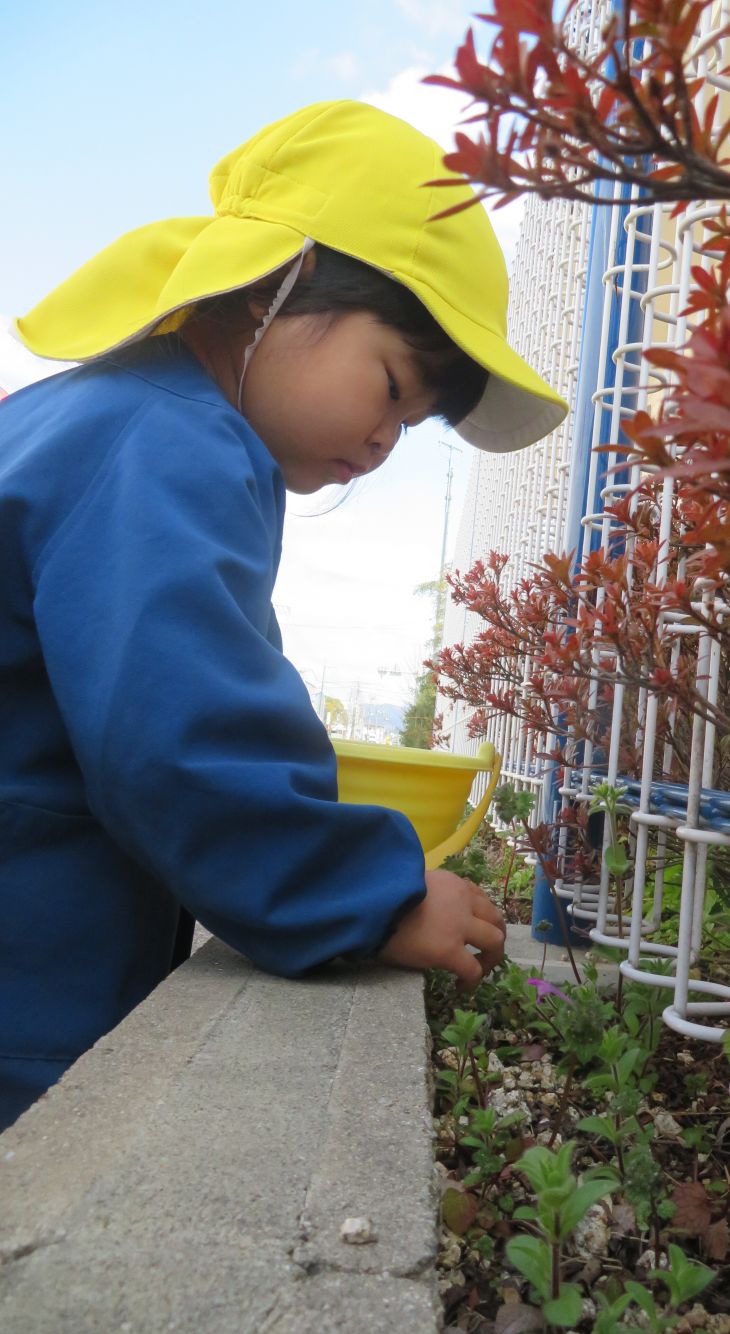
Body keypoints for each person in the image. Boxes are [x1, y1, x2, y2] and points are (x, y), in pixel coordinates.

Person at [0, 100, 566, 1130]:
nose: (388, 441)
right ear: (282, 282)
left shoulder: (117, 415)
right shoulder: (170, 443)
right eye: (392, 389)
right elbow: (177, 732)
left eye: (413, 424)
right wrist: (370, 892)